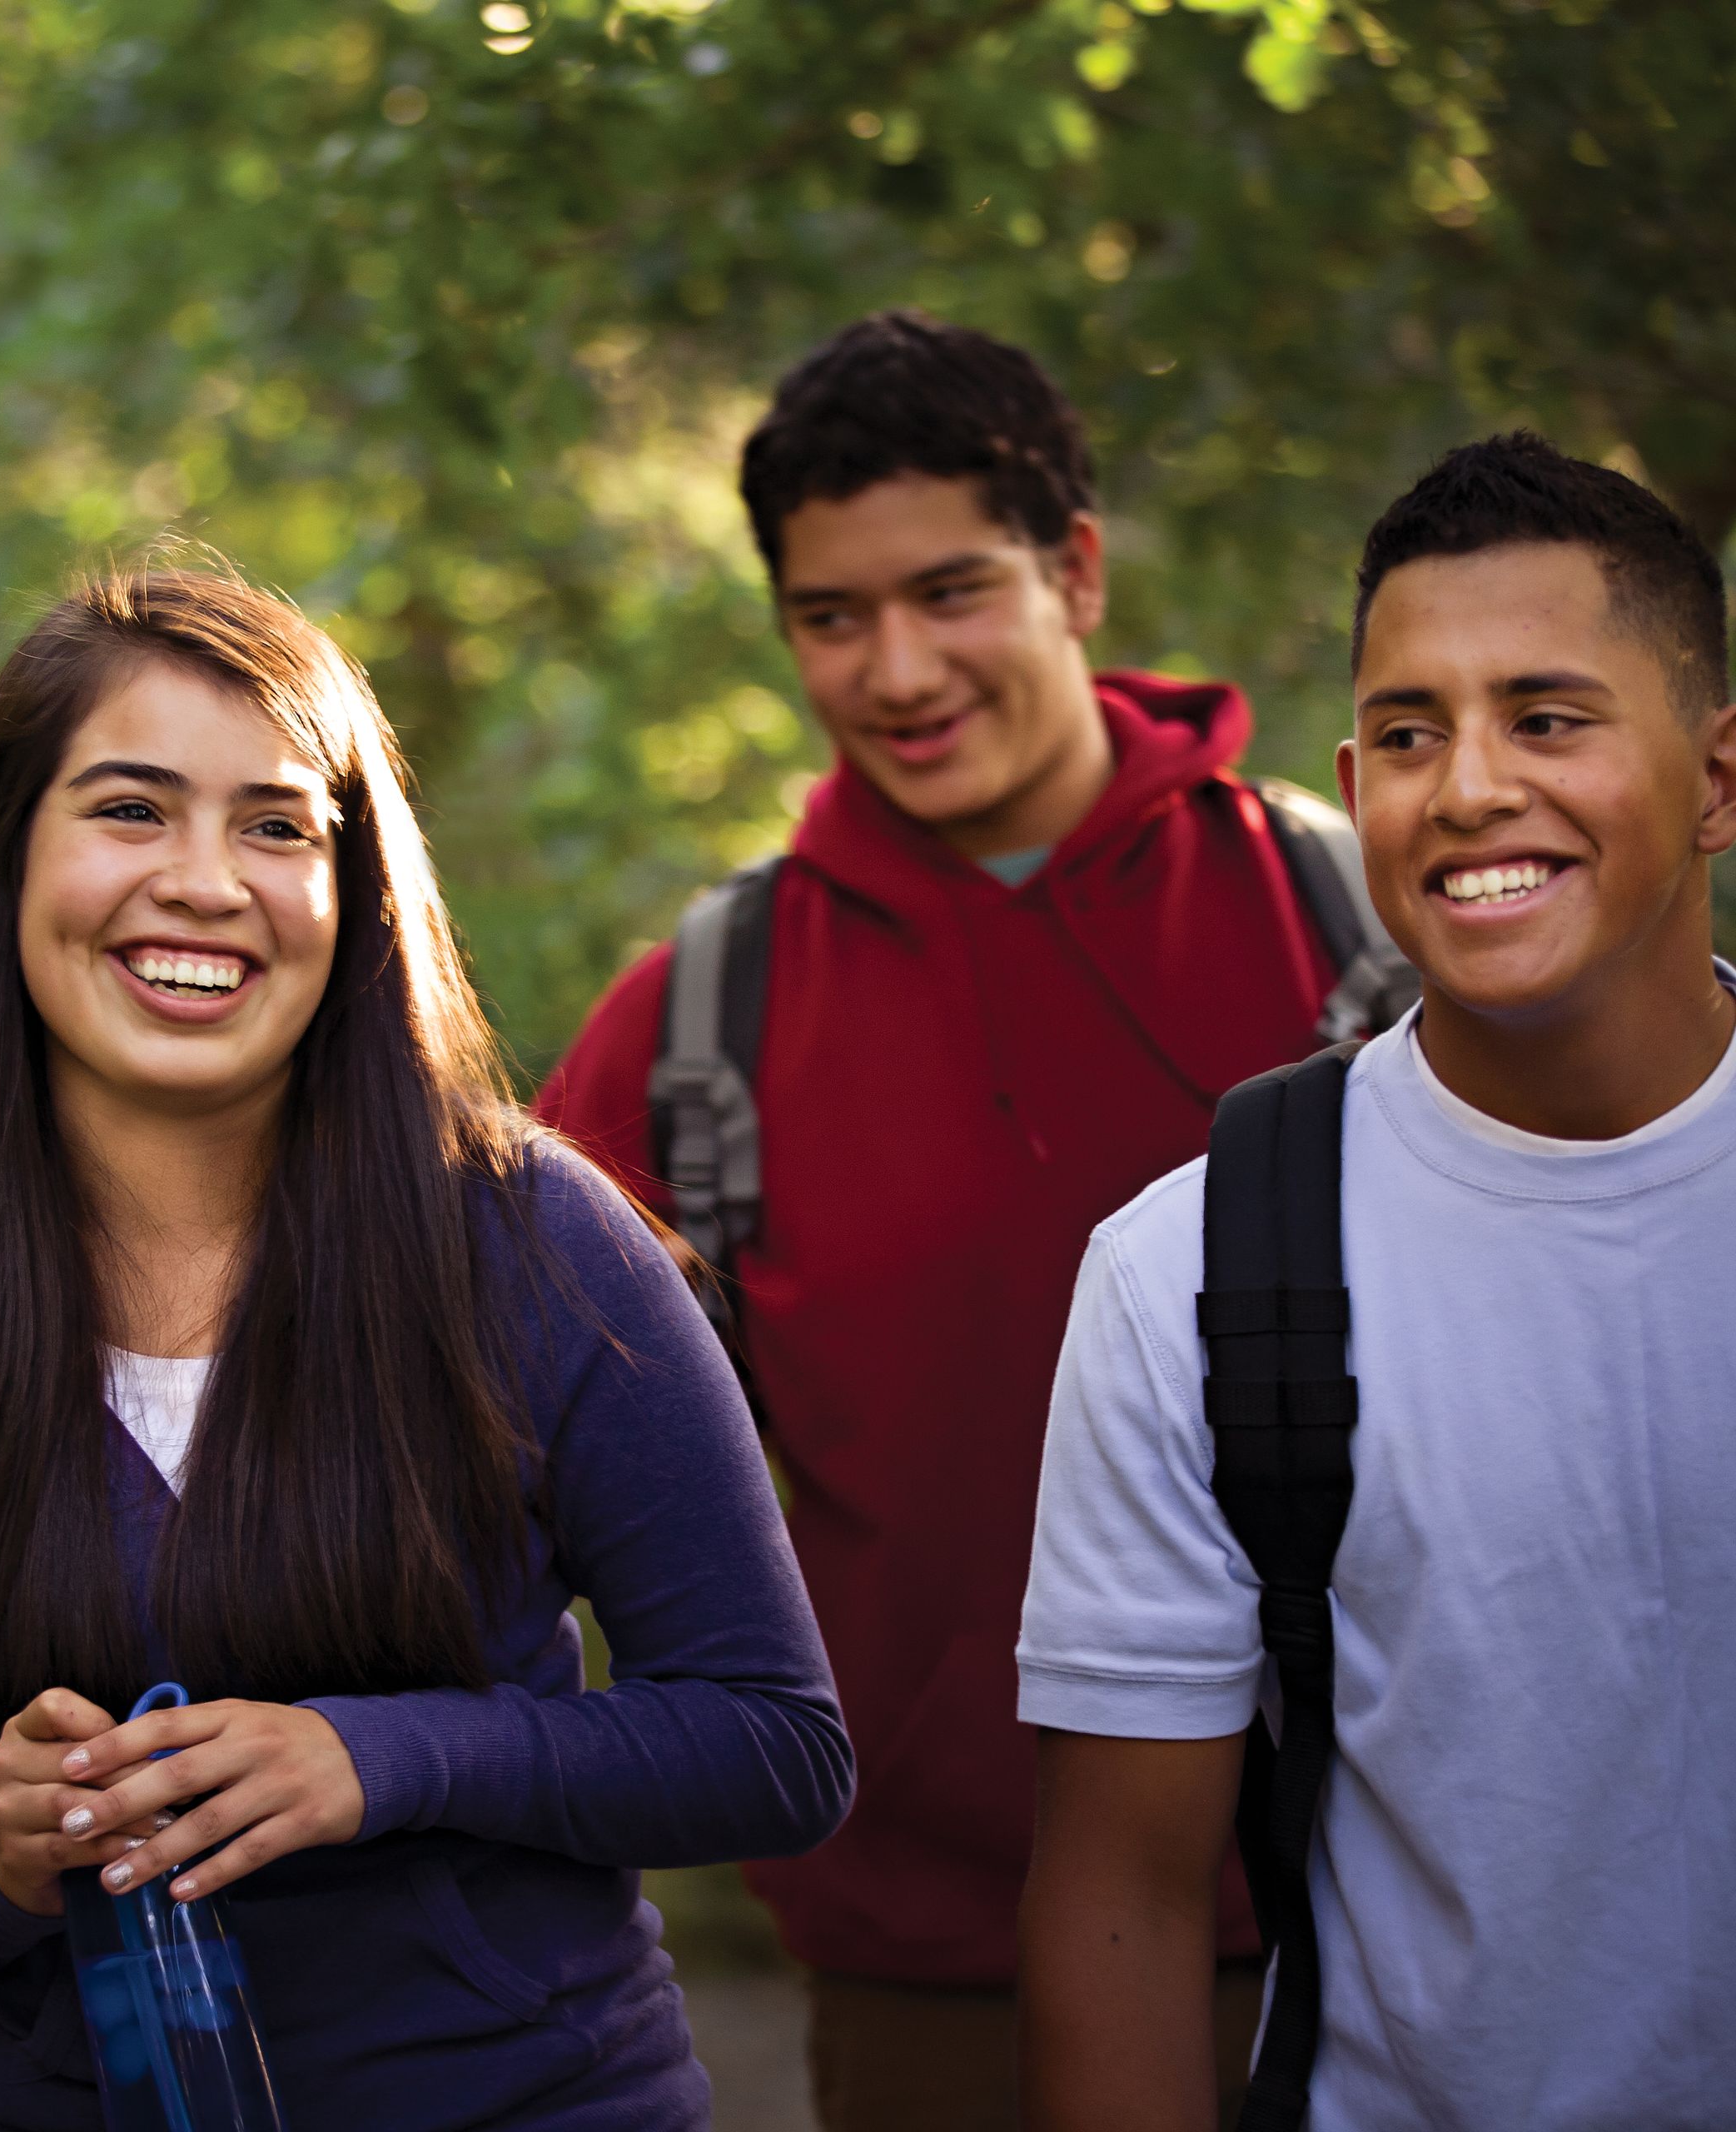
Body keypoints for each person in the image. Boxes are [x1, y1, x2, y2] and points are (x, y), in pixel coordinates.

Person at [0, 565, 853, 2130]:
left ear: (355, 891)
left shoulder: (534, 1242)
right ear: (8, 857)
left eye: (275, 826)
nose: (205, 881)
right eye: (130, 809)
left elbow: (773, 1746)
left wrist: (379, 1761)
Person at [531, 311, 1394, 2128]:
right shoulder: (707, 1011)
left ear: (1074, 570)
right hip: (930, 1972)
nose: (898, 667)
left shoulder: (1344, 921)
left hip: (1383, 1920)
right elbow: (461, 1394)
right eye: (831, 617)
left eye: (952, 591)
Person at [1017, 435, 1736, 2129]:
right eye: (1412, 735)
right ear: (1356, 779)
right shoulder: (1188, 1272)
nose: (1472, 785)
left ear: (1717, 776)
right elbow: (1118, 1897)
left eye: (1548, 719)